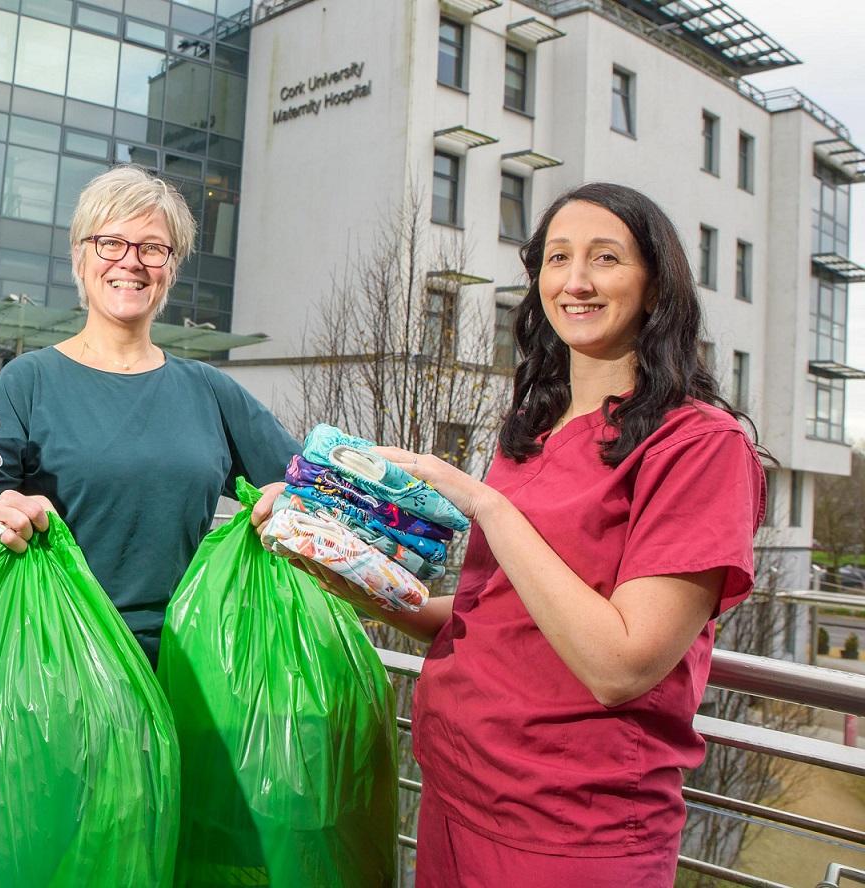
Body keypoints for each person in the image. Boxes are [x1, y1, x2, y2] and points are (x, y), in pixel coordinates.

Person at [288, 183, 766, 885]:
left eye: (605, 258)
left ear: (657, 284)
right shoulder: (533, 433)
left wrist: (487, 506)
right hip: (454, 790)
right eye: (557, 259)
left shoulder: (700, 446)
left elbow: (621, 666)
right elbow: (496, 619)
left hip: (572, 830)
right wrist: (346, 574)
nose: (575, 281)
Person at [0, 165, 297, 666]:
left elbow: (314, 490)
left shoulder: (208, 390)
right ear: (81, 258)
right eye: (111, 242)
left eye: (152, 248)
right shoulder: (29, 381)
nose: (130, 262)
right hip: (54, 669)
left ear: (171, 268)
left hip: (188, 668)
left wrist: (291, 500)